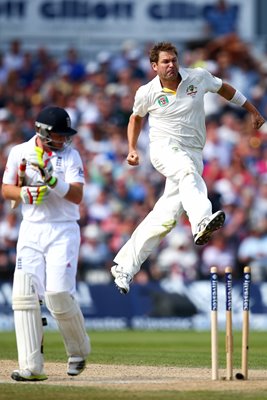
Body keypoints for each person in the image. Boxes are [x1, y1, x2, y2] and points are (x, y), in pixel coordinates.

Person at [111, 41, 265, 295]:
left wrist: (252, 110)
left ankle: (124, 267)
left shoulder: (198, 77)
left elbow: (224, 89)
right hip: (164, 148)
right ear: (154, 66)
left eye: (173, 60)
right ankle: (201, 219)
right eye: (165, 61)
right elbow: (135, 118)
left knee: (165, 218)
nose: (171, 65)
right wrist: (132, 148)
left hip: (193, 152)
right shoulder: (147, 92)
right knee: (185, 172)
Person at [1, 106, 90, 381]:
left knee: (58, 296)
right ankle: (32, 367)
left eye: (66, 135)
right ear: (42, 131)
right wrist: (25, 193)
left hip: (63, 231)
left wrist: (52, 180)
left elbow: (76, 196)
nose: (64, 140)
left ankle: (78, 350)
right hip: (31, 230)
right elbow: (7, 189)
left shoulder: (71, 156)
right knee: (24, 298)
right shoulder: (19, 152)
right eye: (59, 136)